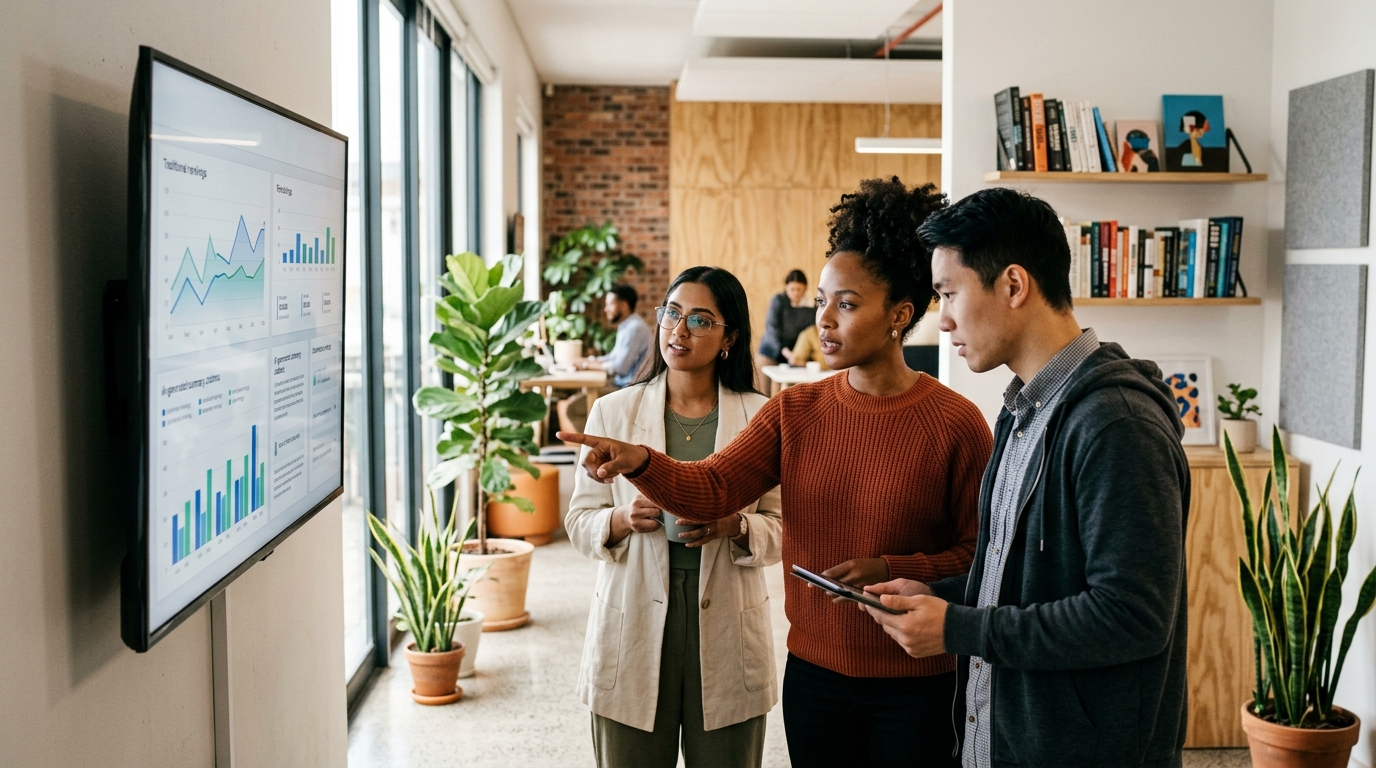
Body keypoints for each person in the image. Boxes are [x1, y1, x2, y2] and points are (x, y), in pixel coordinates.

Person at [561, 177, 993, 768]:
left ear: (900, 314)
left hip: (917, 681)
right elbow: (713, 487)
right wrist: (641, 461)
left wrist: (894, 568)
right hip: (815, 678)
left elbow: (983, 558)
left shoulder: (957, 423)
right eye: (820, 302)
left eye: (846, 304)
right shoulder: (796, 411)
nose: (825, 322)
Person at [859, 187, 1190, 768]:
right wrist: (938, 598)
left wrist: (960, 629)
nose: (942, 321)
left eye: (949, 294)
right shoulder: (1021, 412)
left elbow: (1132, 618)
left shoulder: (1117, 424)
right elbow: (1031, 579)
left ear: (1013, 285)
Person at [565, 266, 783, 768]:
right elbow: (579, 520)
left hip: (726, 618)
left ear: (730, 336)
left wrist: (738, 526)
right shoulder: (613, 412)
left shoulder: (761, 416)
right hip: (634, 616)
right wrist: (619, 519)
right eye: (672, 314)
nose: (679, 331)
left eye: (701, 320)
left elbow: (784, 526)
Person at [576, 285, 653, 388]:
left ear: (623, 306)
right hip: (622, 386)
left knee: (573, 403)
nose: (605, 309)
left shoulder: (635, 328)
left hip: (630, 390)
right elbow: (613, 357)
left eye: (610, 304)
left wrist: (586, 365)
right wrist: (589, 360)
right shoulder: (626, 325)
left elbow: (620, 368)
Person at [756, 269, 815, 370]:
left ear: (805, 288)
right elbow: (772, 328)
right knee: (767, 385)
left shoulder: (812, 307)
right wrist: (785, 352)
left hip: (795, 358)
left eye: (799, 289)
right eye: (792, 289)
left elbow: (810, 333)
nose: (796, 293)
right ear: (786, 287)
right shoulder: (778, 301)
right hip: (771, 353)